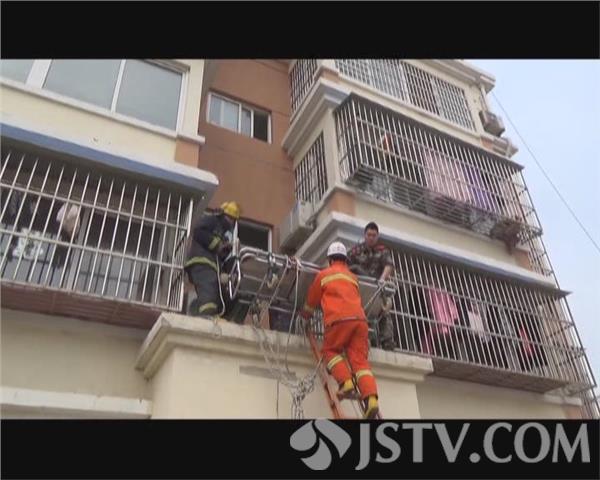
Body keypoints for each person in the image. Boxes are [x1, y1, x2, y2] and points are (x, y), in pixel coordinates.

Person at [300, 241, 380, 419]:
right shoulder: (353, 278)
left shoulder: (323, 275)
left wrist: (305, 315)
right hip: (360, 322)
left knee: (330, 351)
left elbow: (311, 301)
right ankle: (371, 400)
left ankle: (346, 383)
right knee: (360, 362)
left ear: (330, 259)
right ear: (345, 260)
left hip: (339, 320)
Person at [184, 201, 240, 317]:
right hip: (201, 262)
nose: (231, 223)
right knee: (208, 290)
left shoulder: (222, 234)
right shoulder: (211, 220)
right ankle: (206, 317)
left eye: (234, 220)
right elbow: (198, 232)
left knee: (216, 293)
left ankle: (210, 314)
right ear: (222, 215)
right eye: (230, 218)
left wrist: (225, 250)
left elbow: (218, 254)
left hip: (211, 266)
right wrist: (217, 245)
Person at [347, 222, 396, 350]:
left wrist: (382, 280)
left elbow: (389, 266)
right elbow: (346, 266)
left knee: (384, 310)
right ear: (364, 235)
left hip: (377, 288)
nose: (371, 238)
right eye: (369, 235)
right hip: (360, 288)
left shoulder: (382, 251)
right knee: (361, 314)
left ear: (377, 236)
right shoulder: (356, 250)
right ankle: (366, 339)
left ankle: (387, 341)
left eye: (374, 235)